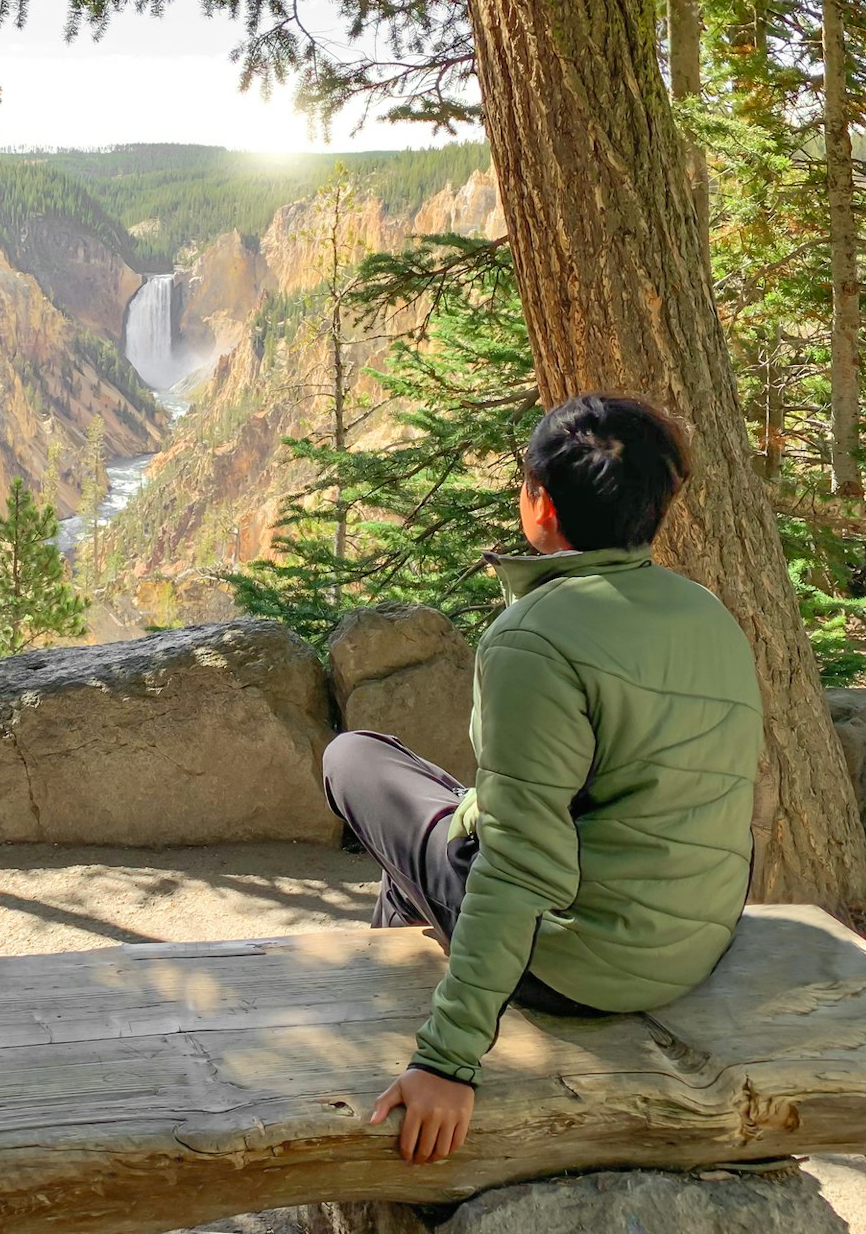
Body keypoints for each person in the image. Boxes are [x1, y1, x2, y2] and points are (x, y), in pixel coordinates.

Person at [323, 393, 762, 1165]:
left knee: (356, 759)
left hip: (576, 969)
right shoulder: (708, 615)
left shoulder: (534, 637)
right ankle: (412, 947)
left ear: (542, 506)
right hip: (692, 947)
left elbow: (522, 861)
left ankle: (404, 1016)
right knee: (445, 828)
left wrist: (447, 1062)